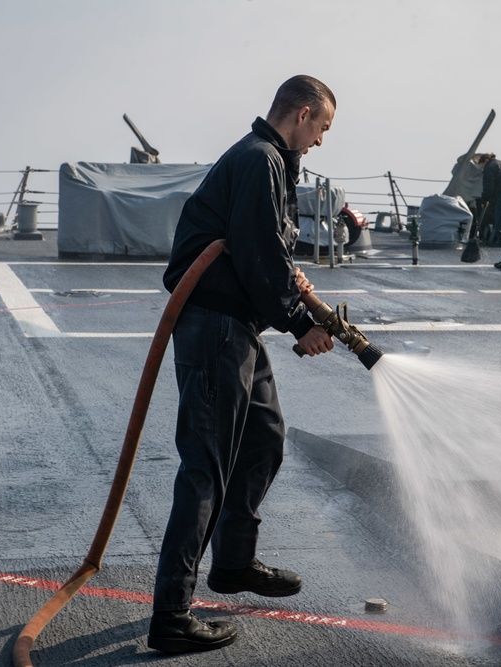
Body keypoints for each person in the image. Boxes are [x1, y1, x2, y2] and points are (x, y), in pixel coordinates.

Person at [149, 75, 336, 655]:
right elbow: (256, 253)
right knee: (205, 467)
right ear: (302, 114)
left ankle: (232, 563)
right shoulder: (259, 160)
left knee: (264, 440)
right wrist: (300, 323)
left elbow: (266, 249)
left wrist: (290, 292)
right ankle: (171, 616)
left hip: (238, 329)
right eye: (322, 128)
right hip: (215, 327)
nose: (321, 141)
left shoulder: (272, 163)